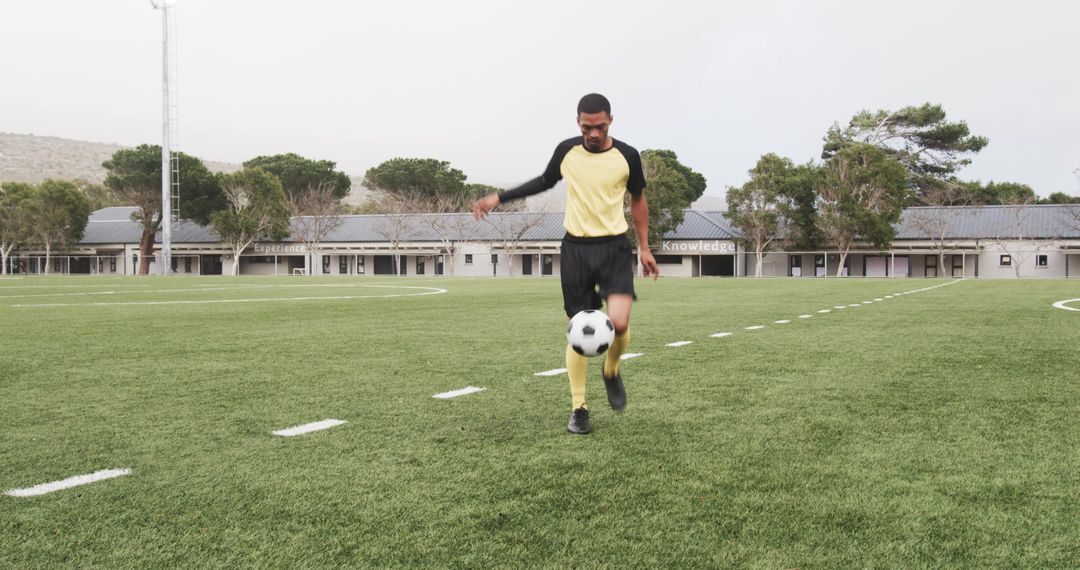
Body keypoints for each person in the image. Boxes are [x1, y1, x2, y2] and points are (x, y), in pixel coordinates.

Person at [472, 93, 659, 435]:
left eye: (600, 126)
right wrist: (499, 197)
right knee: (578, 333)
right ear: (578, 123)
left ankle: (612, 369)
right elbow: (544, 181)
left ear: (610, 121)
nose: (593, 133)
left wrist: (645, 247)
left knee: (618, 322)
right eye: (587, 127)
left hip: (614, 247)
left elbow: (638, 200)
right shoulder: (567, 151)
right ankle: (579, 408)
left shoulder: (627, 156)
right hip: (576, 250)